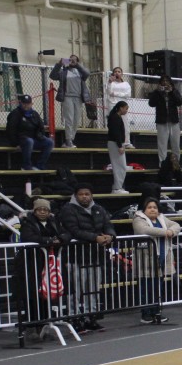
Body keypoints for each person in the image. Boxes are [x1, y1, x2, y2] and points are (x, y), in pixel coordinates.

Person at [58, 184, 116, 331]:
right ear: (75, 196)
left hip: (95, 256)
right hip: (75, 256)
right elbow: (73, 230)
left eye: (87, 194)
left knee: (93, 289)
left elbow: (108, 224)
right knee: (75, 290)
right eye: (81, 194)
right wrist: (95, 237)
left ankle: (91, 317)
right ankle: (75, 318)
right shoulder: (68, 210)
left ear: (91, 195)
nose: (85, 197)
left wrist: (110, 235)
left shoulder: (99, 209)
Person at [16, 198, 71, 341]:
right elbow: (28, 237)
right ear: (34, 211)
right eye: (39, 209)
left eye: (45, 209)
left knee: (47, 296)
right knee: (32, 295)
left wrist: (60, 239)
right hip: (31, 264)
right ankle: (31, 327)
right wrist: (49, 241)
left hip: (50, 265)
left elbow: (67, 234)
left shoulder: (55, 221)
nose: (42, 212)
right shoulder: (27, 222)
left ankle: (44, 326)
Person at [133, 198, 180, 324]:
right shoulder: (138, 219)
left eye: (155, 207)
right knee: (146, 287)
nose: (152, 209)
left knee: (158, 288)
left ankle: (157, 312)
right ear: (144, 210)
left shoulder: (162, 218)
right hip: (145, 260)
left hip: (162, 258)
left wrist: (171, 231)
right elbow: (144, 230)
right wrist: (166, 232)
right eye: (149, 207)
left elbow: (177, 225)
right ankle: (146, 314)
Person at [49, 55, 91, 148]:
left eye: (74, 59)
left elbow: (86, 74)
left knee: (76, 120)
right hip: (67, 97)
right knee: (69, 119)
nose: (72, 61)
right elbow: (52, 75)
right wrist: (59, 64)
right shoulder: (64, 72)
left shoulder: (81, 72)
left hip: (78, 98)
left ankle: (71, 139)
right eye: (70, 59)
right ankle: (68, 140)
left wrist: (77, 65)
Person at [6, 94, 54, 171]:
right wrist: (15, 143)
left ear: (31, 104)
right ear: (20, 103)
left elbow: (41, 128)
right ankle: (26, 166)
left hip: (34, 139)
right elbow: (11, 130)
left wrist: (40, 136)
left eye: (28, 103)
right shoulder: (15, 113)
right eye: (24, 103)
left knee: (49, 142)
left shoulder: (35, 114)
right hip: (21, 140)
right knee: (29, 141)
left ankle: (39, 166)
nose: (26, 105)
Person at [149, 74, 182, 164]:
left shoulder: (174, 91)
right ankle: (162, 164)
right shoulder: (157, 92)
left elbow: (180, 102)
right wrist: (157, 91)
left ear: (170, 83)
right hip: (162, 122)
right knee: (162, 145)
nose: (165, 83)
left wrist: (172, 92)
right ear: (160, 83)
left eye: (167, 81)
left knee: (176, 144)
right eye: (163, 81)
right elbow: (151, 103)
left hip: (174, 121)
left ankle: (176, 165)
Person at [107, 67, 133, 147]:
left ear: (121, 74)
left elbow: (128, 94)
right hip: (113, 104)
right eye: (115, 71)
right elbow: (109, 92)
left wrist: (116, 94)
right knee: (114, 123)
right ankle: (115, 141)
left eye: (119, 71)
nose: (117, 73)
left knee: (125, 123)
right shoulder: (111, 83)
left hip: (123, 105)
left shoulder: (126, 84)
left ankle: (126, 142)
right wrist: (109, 82)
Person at [107, 101, 130, 193]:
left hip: (116, 143)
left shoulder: (117, 117)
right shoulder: (115, 118)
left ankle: (117, 186)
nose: (127, 111)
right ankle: (117, 187)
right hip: (115, 144)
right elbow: (116, 133)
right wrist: (120, 146)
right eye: (126, 108)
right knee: (119, 166)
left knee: (121, 166)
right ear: (121, 108)